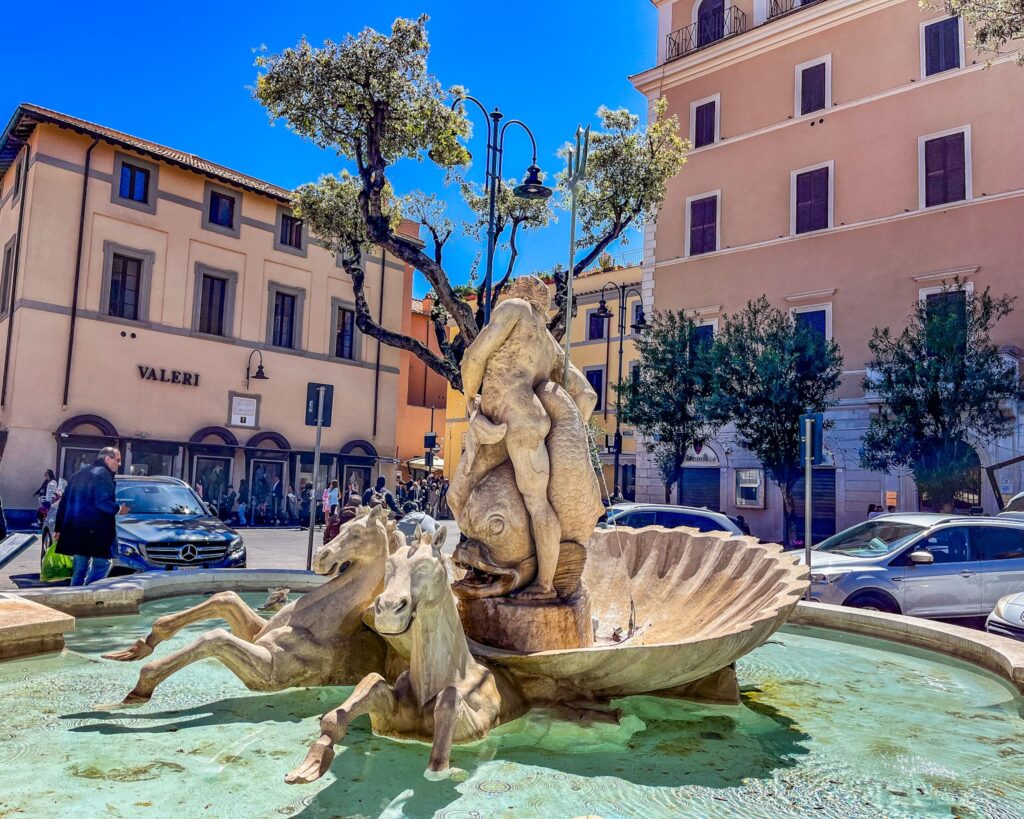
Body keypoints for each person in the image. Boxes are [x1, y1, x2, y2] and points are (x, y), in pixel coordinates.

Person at [459, 274, 597, 600]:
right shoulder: (548, 343)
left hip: (501, 414)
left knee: (459, 493)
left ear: (518, 293)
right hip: (528, 422)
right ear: (545, 305)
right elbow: (587, 395)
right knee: (537, 504)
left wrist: (470, 403)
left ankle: (496, 564)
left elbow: (474, 356)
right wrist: (562, 439)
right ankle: (543, 583)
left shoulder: (513, 309)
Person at [55, 447, 127, 586]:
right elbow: (101, 502)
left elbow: (64, 503)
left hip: (77, 531)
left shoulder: (77, 475)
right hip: (97, 532)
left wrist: (58, 528)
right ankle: (88, 591)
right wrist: (119, 509)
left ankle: (75, 594)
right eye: (117, 460)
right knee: (102, 564)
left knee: (79, 569)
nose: (119, 464)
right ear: (107, 459)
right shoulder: (103, 475)